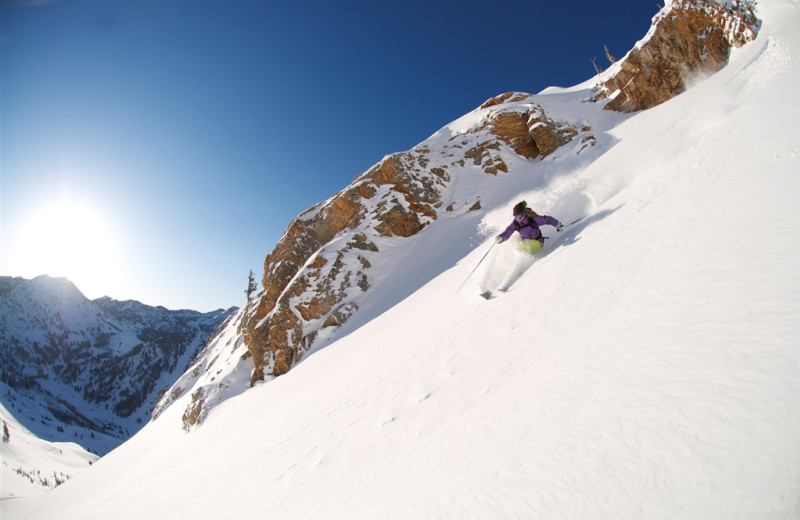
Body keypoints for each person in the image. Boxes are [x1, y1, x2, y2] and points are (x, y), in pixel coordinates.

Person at [495, 201, 564, 254]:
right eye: (515, 216)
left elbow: (548, 219)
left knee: (523, 245)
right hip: (525, 242)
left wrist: (558, 225)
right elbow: (508, 231)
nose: (517, 218)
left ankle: (522, 263)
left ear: (524, 213)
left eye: (519, 216)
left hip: (537, 242)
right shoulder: (515, 223)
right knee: (515, 244)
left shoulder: (533, 219)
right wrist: (501, 238)